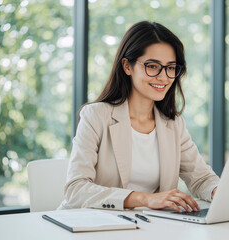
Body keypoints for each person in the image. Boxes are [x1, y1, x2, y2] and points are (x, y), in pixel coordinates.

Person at [58, 21, 219, 213]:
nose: (163, 77)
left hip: (147, 227)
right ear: (127, 66)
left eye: (170, 67)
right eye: (152, 66)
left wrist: (219, 192)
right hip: (91, 225)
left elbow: (201, 178)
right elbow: (75, 190)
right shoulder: (96, 116)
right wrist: (145, 199)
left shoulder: (173, 124)